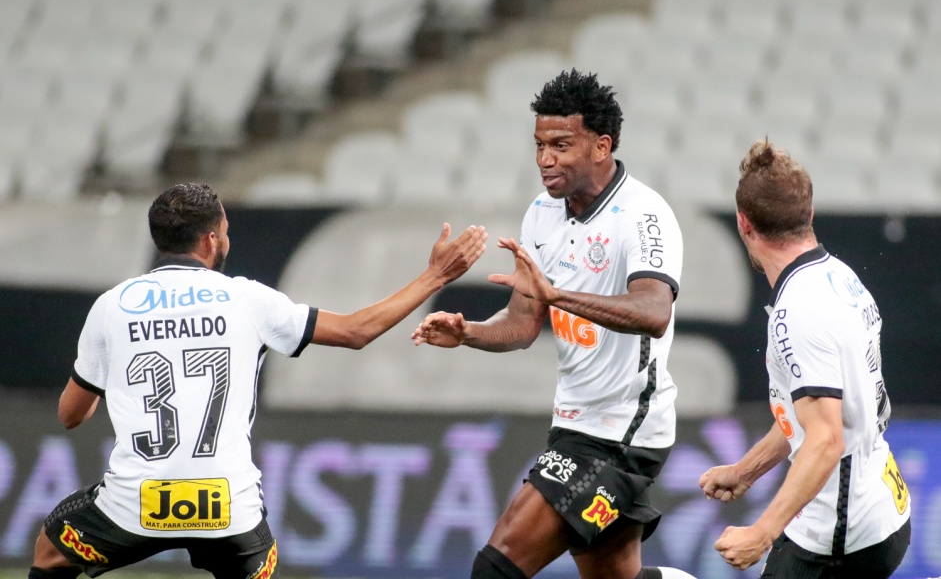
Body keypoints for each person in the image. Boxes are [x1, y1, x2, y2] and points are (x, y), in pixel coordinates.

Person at [28, 182, 487, 579]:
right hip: (229, 508)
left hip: (136, 503)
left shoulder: (112, 306)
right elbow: (356, 331)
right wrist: (435, 277)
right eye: (225, 233)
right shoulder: (246, 298)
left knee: (51, 554)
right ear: (210, 240)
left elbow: (71, 415)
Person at [413, 69, 694, 579]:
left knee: (496, 569)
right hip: (572, 424)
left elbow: (654, 313)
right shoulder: (542, 214)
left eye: (562, 145)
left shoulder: (644, 216)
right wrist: (469, 333)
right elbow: (522, 326)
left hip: (622, 433)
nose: (546, 159)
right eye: (540, 145)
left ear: (601, 146)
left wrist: (558, 294)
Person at [698, 139, 911, 577]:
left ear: (744, 225)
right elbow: (814, 416)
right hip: (881, 513)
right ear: (809, 215)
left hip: (837, 536)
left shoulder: (800, 310)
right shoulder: (840, 276)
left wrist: (763, 532)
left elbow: (826, 439)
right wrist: (745, 472)